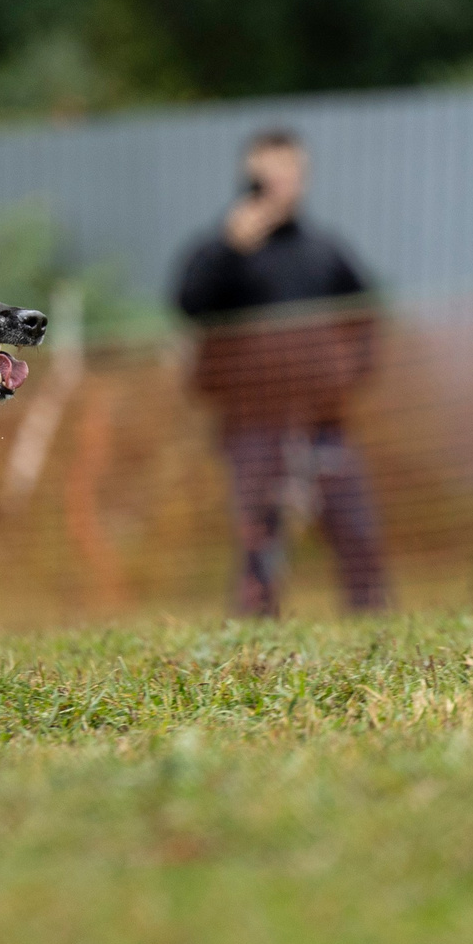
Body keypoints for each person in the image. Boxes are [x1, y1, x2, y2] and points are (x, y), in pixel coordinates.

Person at [175, 128, 391, 617]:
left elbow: (365, 314)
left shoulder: (325, 250)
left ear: (302, 178)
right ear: (248, 178)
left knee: (355, 527)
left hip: (323, 422)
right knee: (259, 537)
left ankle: (375, 629)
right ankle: (256, 643)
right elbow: (188, 305)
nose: (277, 184)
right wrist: (230, 251)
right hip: (251, 423)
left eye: (288, 173)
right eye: (265, 174)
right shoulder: (218, 251)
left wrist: (348, 373)